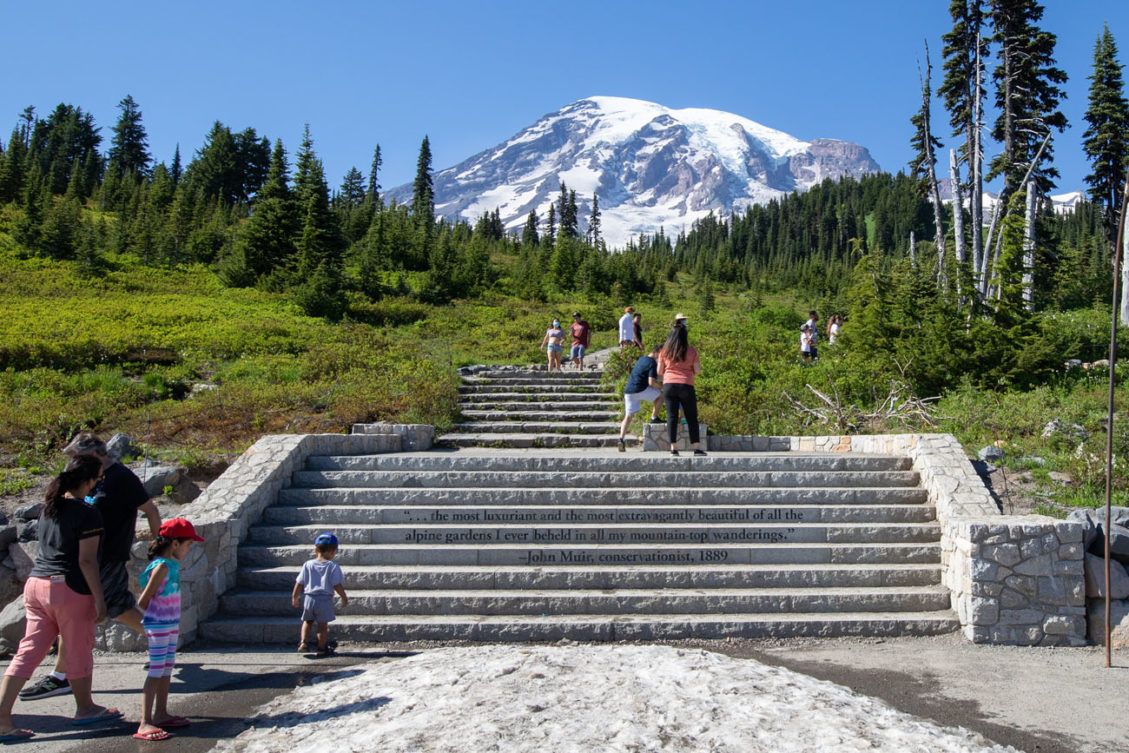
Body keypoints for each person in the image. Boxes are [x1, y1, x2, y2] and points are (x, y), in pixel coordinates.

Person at [19, 432, 161, 702]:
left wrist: (158, 551)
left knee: (106, 608)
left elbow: (151, 511)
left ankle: (62, 676)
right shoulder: (79, 478)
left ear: (94, 455)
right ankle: (62, 676)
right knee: (83, 613)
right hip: (82, 558)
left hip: (107, 557)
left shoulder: (122, 478)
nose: (70, 461)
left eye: (75, 456)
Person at [0, 457, 122, 742]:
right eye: (99, 478)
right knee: (79, 647)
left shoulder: (49, 508)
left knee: (28, 652)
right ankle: (86, 708)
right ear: (90, 480)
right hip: (68, 589)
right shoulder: (88, 514)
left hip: (36, 585)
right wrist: (99, 599)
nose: (100, 483)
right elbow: (87, 561)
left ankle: (3, 718)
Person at [133, 517, 205, 742]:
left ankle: (161, 713)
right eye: (188, 544)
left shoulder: (171, 565)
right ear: (174, 544)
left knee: (166, 670)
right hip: (159, 626)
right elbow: (143, 600)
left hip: (169, 625)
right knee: (156, 671)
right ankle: (145, 721)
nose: (189, 548)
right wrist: (150, 621)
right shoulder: (162, 566)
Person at [292, 532, 348, 658]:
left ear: (316, 549)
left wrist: (295, 597)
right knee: (322, 626)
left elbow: (299, 583)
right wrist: (344, 597)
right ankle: (321, 648)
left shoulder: (308, 564)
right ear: (332, 551)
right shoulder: (332, 566)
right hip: (324, 599)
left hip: (309, 598)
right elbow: (336, 584)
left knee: (307, 621)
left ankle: (303, 643)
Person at [657, 314, 705, 457]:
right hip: (686, 385)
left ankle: (673, 448)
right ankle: (696, 447)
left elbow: (659, 371)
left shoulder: (664, 351)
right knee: (691, 416)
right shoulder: (691, 351)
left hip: (669, 385)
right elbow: (697, 371)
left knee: (671, 416)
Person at [618, 344, 663, 452]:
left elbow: (650, 376)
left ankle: (621, 439)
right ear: (657, 352)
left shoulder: (642, 359)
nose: (661, 358)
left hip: (629, 391)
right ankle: (654, 418)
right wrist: (662, 386)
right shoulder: (652, 362)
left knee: (628, 417)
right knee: (661, 396)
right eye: (661, 355)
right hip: (640, 390)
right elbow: (651, 382)